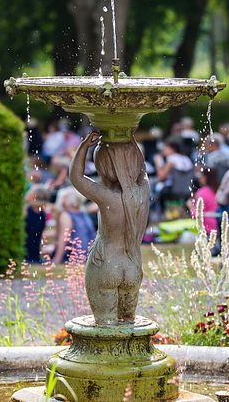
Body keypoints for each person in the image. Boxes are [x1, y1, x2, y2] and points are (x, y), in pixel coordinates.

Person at [70, 132, 150, 324]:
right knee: (128, 324)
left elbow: (76, 177)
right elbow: (142, 169)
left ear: (103, 166)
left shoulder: (107, 196)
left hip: (105, 264)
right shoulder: (143, 191)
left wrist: (84, 146)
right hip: (132, 266)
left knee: (105, 327)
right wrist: (129, 136)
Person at [51, 186, 96, 264]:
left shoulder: (66, 215)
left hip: (74, 257)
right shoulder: (84, 214)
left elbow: (64, 238)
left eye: (63, 197)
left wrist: (57, 259)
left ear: (68, 200)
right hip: (89, 256)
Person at [154, 137, 194, 202]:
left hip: (172, 192)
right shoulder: (186, 158)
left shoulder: (171, 158)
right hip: (188, 191)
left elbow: (161, 177)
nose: (163, 150)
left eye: (165, 148)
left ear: (172, 149)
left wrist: (158, 163)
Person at [189, 166, 220, 234]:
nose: (199, 178)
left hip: (207, 228)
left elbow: (196, 215)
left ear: (206, 177)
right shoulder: (218, 190)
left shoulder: (202, 192)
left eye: (201, 176)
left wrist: (190, 206)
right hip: (219, 225)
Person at [24, 185, 50, 263]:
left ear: (34, 196)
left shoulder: (25, 211)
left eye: (30, 191)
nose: (27, 193)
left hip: (26, 254)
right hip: (33, 254)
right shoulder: (42, 213)